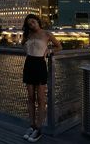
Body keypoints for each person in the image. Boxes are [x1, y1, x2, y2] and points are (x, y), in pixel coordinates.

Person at [21, 14, 62, 142]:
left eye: (33, 22)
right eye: (29, 23)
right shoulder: (28, 34)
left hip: (40, 64)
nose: (31, 24)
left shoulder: (47, 34)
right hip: (28, 64)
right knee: (30, 97)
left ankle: (39, 128)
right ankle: (32, 126)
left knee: (41, 98)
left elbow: (59, 46)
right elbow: (23, 46)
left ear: (38, 21)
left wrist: (49, 51)